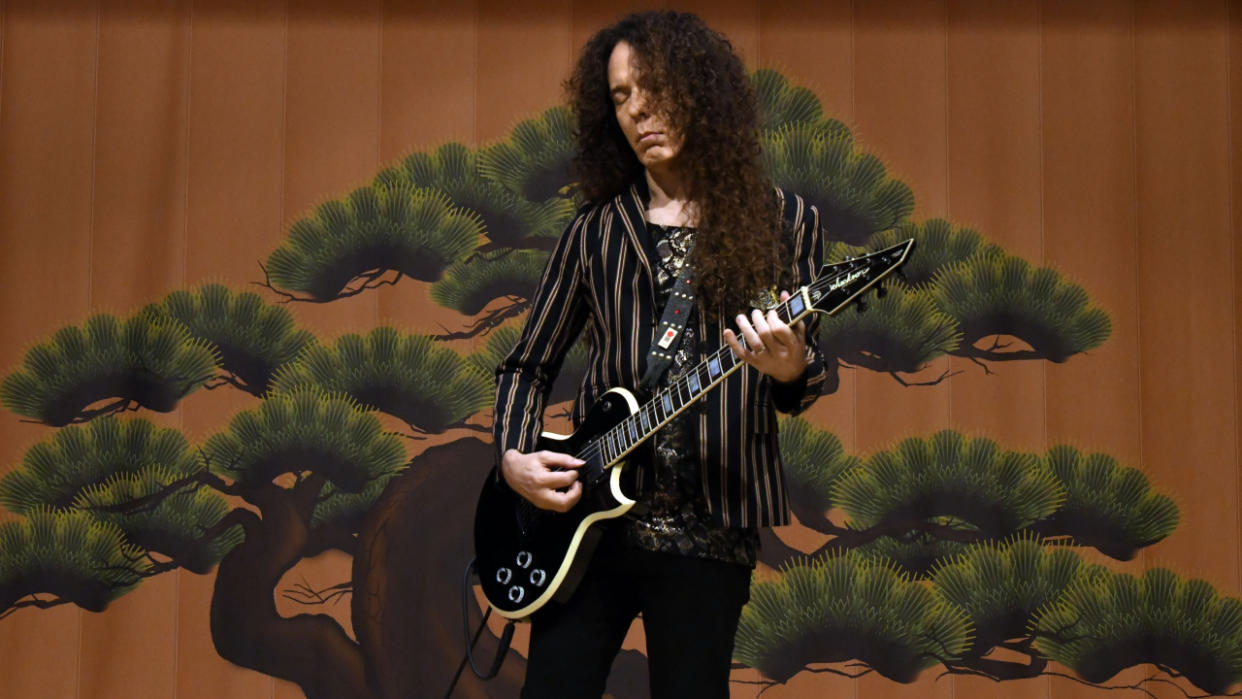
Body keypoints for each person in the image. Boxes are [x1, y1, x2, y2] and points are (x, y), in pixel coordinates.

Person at [491, 10, 827, 698]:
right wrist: (514, 457)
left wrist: (791, 368)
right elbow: (527, 364)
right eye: (620, 96)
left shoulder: (786, 223)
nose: (638, 110)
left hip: (712, 532)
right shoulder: (594, 232)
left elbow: (810, 369)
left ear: (701, 91)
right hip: (589, 533)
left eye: (654, 87)